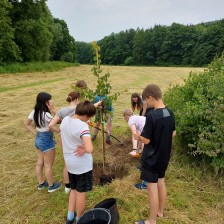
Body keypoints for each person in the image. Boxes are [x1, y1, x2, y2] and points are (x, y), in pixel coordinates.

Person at [134, 84, 176, 224]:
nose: (146, 103)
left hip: (151, 159)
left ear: (150, 97)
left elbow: (146, 139)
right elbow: (173, 133)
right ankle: (160, 212)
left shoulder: (152, 115)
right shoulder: (170, 113)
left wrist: (137, 136)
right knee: (161, 183)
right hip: (164, 157)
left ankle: (151, 221)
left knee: (152, 189)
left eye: (146, 101)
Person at [60, 100, 96, 224]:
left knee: (74, 189)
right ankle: (79, 219)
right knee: (81, 193)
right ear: (85, 116)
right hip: (82, 166)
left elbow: (62, 137)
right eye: (89, 118)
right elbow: (90, 149)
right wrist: (85, 148)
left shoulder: (65, 120)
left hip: (69, 162)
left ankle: (70, 216)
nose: (88, 120)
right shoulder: (82, 126)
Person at [24, 92, 62, 193]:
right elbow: (55, 123)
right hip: (46, 140)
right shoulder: (46, 114)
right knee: (48, 165)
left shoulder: (34, 111)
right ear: (46, 102)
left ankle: (41, 183)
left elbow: (26, 123)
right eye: (50, 100)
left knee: (40, 162)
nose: (52, 101)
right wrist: (59, 130)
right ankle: (51, 186)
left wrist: (36, 133)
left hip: (38, 140)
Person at [49, 91, 80, 194]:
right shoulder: (79, 109)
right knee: (78, 158)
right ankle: (77, 181)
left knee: (67, 161)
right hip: (76, 138)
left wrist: (59, 130)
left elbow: (51, 125)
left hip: (64, 139)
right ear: (76, 99)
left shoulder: (62, 111)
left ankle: (67, 186)